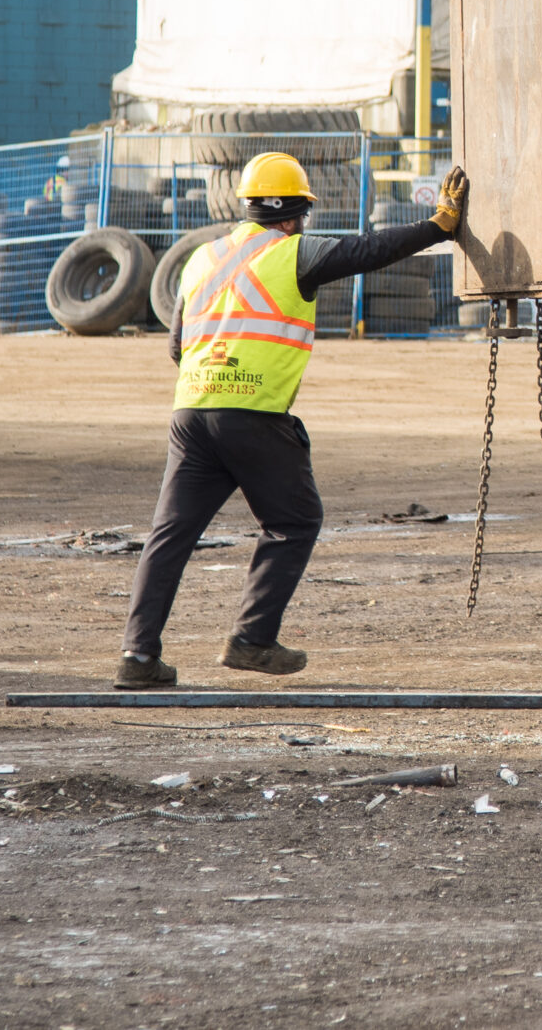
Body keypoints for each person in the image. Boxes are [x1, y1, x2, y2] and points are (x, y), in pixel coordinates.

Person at [115, 153, 469, 688]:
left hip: (191, 411)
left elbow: (177, 346)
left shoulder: (201, 259)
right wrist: (438, 226)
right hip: (255, 416)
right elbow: (366, 251)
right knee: (294, 522)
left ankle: (137, 659)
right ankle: (251, 641)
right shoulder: (294, 253)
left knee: (170, 537)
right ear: (296, 213)